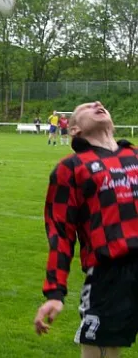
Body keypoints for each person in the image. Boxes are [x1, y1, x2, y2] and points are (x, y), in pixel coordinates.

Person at [34, 101, 138, 358]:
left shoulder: (134, 156)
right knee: (101, 350)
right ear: (74, 129)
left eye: (100, 105)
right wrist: (55, 293)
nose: (98, 104)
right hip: (111, 274)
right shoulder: (70, 169)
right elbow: (60, 233)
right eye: (86, 107)